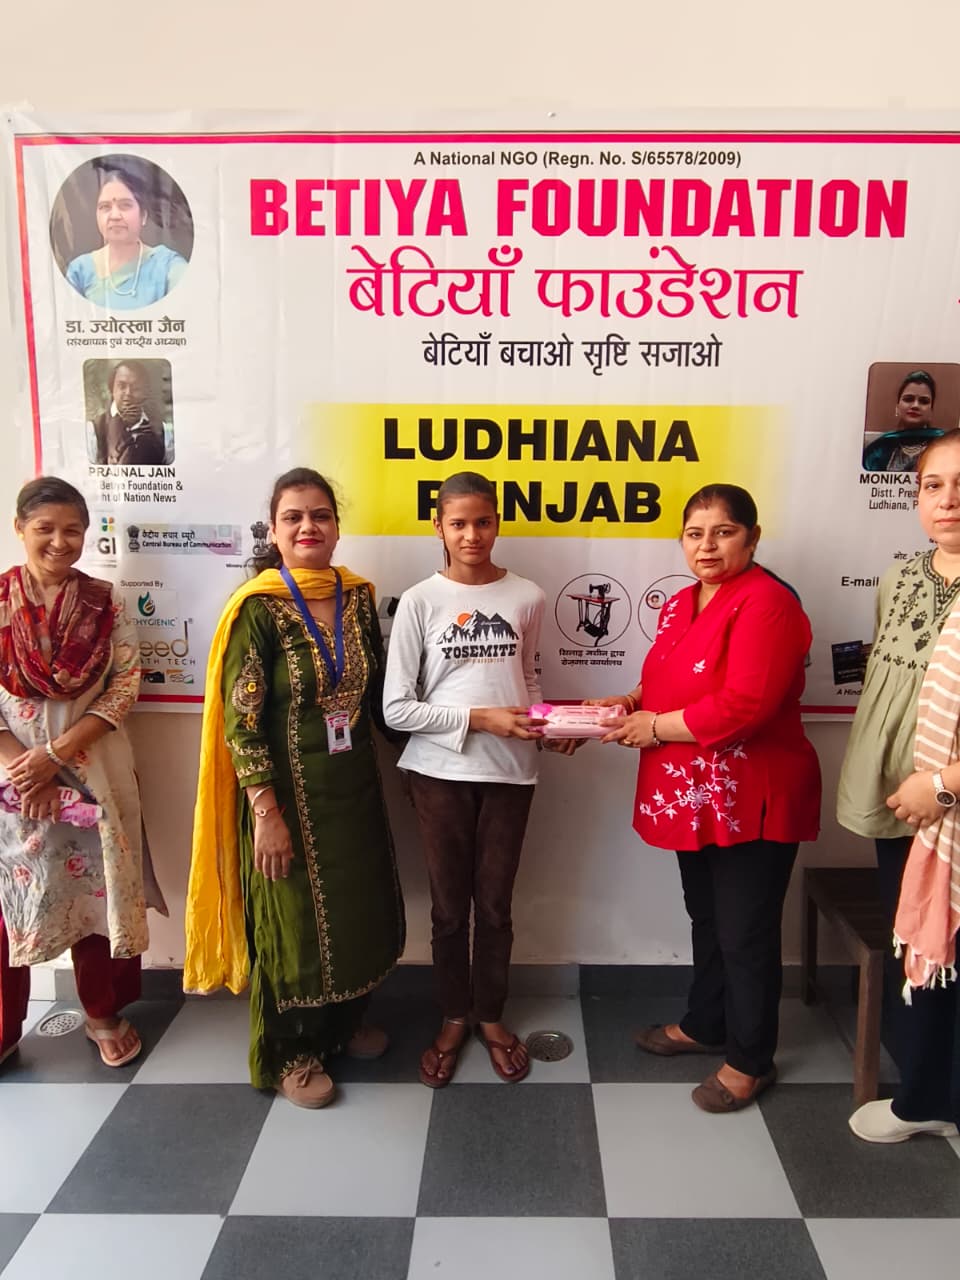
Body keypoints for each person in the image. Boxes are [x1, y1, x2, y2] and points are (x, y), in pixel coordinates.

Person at [589, 484, 821, 1112]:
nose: (707, 546)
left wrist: (654, 728)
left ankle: (751, 1060)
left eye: (723, 532)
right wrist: (629, 703)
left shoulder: (769, 603)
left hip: (753, 794)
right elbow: (663, 678)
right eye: (695, 534)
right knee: (709, 917)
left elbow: (745, 705)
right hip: (696, 796)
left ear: (752, 537)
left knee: (746, 931)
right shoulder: (680, 602)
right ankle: (706, 1022)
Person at [184, 468, 405, 1109]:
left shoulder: (358, 597)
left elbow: (380, 699)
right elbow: (242, 722)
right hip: (285, 799)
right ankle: (290, 1052)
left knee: (357, 912)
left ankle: (342, 1025)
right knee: (293, 925)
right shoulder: (257, 609)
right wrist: (265, 812)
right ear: (275, 530)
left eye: (321, 515)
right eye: (294, 517)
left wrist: (439, 747)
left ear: (337, 526)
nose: (309, 526)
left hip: (355, 790)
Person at [383, 471, 546, 1087]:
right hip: (439, 775)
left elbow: (529, 680)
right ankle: (454, 1015)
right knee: (450, 911)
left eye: (483, 522)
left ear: (498, 522)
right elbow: (396, 710)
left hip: (511, 774)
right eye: (458, 523)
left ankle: (491, 1015)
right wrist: (480, 718)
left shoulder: (528, 596)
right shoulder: (420, 600)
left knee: (496, 908)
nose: (471, 535)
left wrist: (547, 726)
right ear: (439, 527)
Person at [0, 476, 166, 1069]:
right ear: (20, 528)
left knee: (98, 895)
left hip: (96, 770)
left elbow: (125, 685)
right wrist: (28, 771)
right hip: (15, 783)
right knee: (10, 903)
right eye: (45, 528)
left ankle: (102, 1013)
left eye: (72, 530)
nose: (59, 541)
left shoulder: (105, 601)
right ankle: (5, 1025)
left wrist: (57, 754)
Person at [840, 429, 960, 1142]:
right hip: (900, 802)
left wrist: (941, 786)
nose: (949, 500)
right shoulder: (899, 578)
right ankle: (927, 1095)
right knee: (916, 941)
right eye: (934, 485)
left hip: (944, 801)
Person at [66, 166, 187, 310]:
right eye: (105, 207)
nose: (114, 216)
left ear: (143, 216)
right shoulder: (79, 271)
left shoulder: (167, 266)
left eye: (125, 205)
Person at [89, 361, 168, 466]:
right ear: (112, 389)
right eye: (122, 386)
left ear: (145, 392)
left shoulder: (162, 431)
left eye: (136, 388)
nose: (128, 393)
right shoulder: (93, 429)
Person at [862, 369, 942, 472]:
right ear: (897, 407)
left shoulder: (944, 446)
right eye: (908, 399)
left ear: (931, 410)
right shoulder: (879, 449)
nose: (915, 405)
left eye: (924, 401)